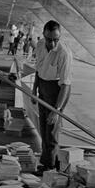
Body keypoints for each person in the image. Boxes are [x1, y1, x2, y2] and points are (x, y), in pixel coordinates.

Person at [32, 20, 73, 176]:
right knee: (43, 127)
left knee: (52, 129)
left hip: (58, 90)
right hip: (43, 87)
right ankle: (47, 162)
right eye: (49, 39)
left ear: (60, 36)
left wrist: (56, 110)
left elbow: (65, 85)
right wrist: (34, 89)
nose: (52, 42)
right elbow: (38, 69)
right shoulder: (40, 45)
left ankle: (50, 167)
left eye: (56, 39)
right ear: (43, 34)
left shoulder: (64, 53)